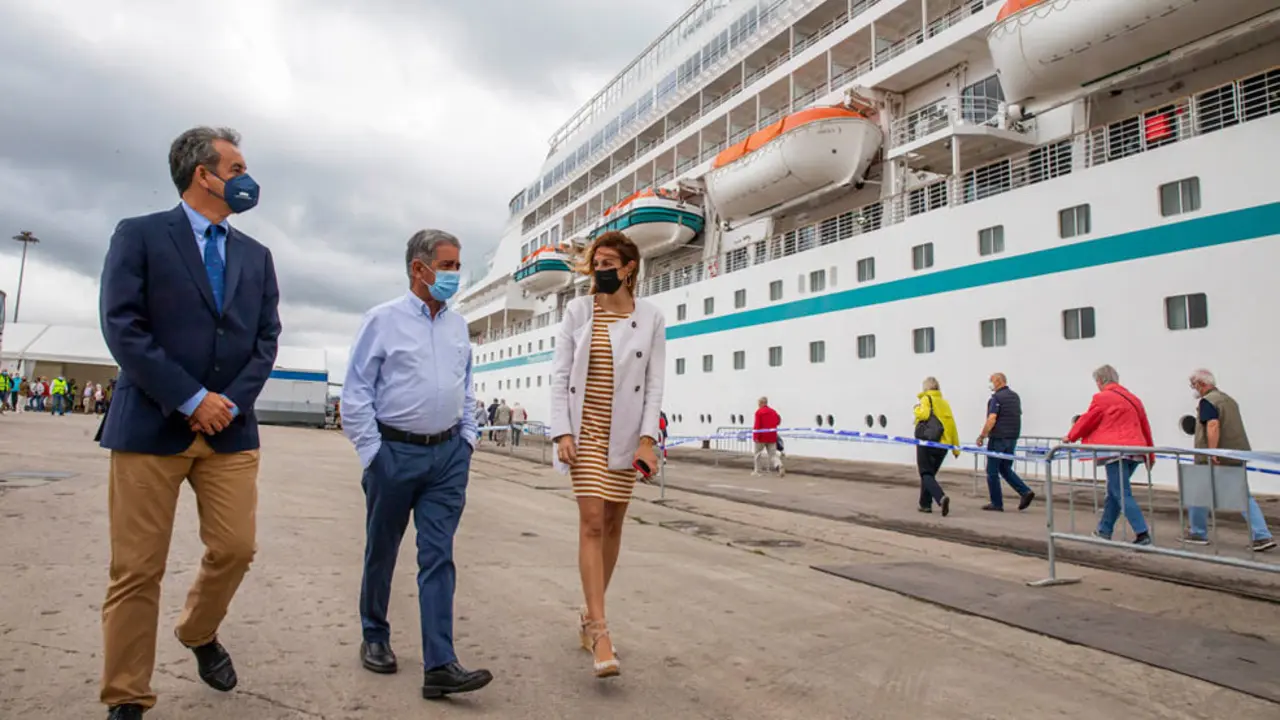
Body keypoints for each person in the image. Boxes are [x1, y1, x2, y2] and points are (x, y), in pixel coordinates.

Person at [96, 126, 280, 720]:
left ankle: (198, 630)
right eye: (237, 166)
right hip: (151, 426)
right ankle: (126, 695)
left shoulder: (257, 255)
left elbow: (266, 338)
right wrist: (190, 397)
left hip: (230, 431)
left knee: (236, 548)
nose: (247, 177)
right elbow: (123, 326)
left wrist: (226, 402)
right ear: (204, 173)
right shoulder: (142, 235)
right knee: (136, 569)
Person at [341, 229, 493, 700]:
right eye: (447, 266)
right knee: (382, 549)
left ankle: (440, 664)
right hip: (395, 453)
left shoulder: (458, 326)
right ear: (418, 268)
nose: (455, 275)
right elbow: (356, 392)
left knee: (438, 555)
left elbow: (465, 388)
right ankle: (375, 634)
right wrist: (374, 454)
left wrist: (467, 441)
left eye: (456, 266)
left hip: (448, 456)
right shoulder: (381, 321)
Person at [550, 230, 665, 679]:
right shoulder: (578, 311)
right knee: (593, 521)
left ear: (629, 268)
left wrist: (647, 439)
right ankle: (600, 631)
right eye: (594, 262)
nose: (599, 270)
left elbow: (654, 384)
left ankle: (588, 612)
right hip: (585, 432)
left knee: (614, 523)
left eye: (607, 263)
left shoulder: (651, 317)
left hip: (624, 433)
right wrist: (561, 430)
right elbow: (560, 376)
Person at [1062, 364, 1154, 546]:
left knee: (1120, 492)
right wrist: (1150, 453)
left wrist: (1071, 436)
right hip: (1136, 450)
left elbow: (1089, 419)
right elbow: (1145, 425)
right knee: (1114, 492)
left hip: (1115, 451)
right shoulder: (1133, 398)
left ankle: (1142, 533)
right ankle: (1104, 530)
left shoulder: (1102, 398)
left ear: (1099, 381)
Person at [1183, 369, 1275, 551]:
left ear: (1202, 384)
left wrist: (1212, 452)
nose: (1193, 389)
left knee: (1199, 493)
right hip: (1235, 455)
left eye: (1193, 385)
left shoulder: (1208, 401)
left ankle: (1199, 533)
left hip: (1214, 458)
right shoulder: (1229, 400)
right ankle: (1261, 535)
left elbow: (1213, 425)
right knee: (1235, 496)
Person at [975, 372, 1035, 511]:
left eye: (991, 381)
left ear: (998, 381)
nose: (990, 384)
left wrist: (982, 436)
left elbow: (992, 419)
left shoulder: (996, 398)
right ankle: (1025, 491)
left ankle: (996, 503)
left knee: (992, 470)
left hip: (998, 438)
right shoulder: (1015, 397)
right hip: (1012, 438)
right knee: (1005, 468)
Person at [913, 377, 959, 515]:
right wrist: (955, 447)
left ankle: (940, 497)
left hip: (928, 442)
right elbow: (952, 426)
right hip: (943, 445)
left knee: (925, 473)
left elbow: (924, 414)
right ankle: (925, 504)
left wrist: (916, 409)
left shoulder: (926, 399)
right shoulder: (945, 403)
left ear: (926, 388)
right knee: (930, 475)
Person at [752, 397, 784, 476]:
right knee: (773, 454)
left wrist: (755, 436)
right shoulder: (773, 412)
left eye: (759, 403)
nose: (758, 405)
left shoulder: (759, 412)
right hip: (772, 436)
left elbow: (757, 425)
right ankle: (779, 465)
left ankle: (757, 471)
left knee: (758, 454)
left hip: (761, 437)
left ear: (762, 403)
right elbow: (778, 421)